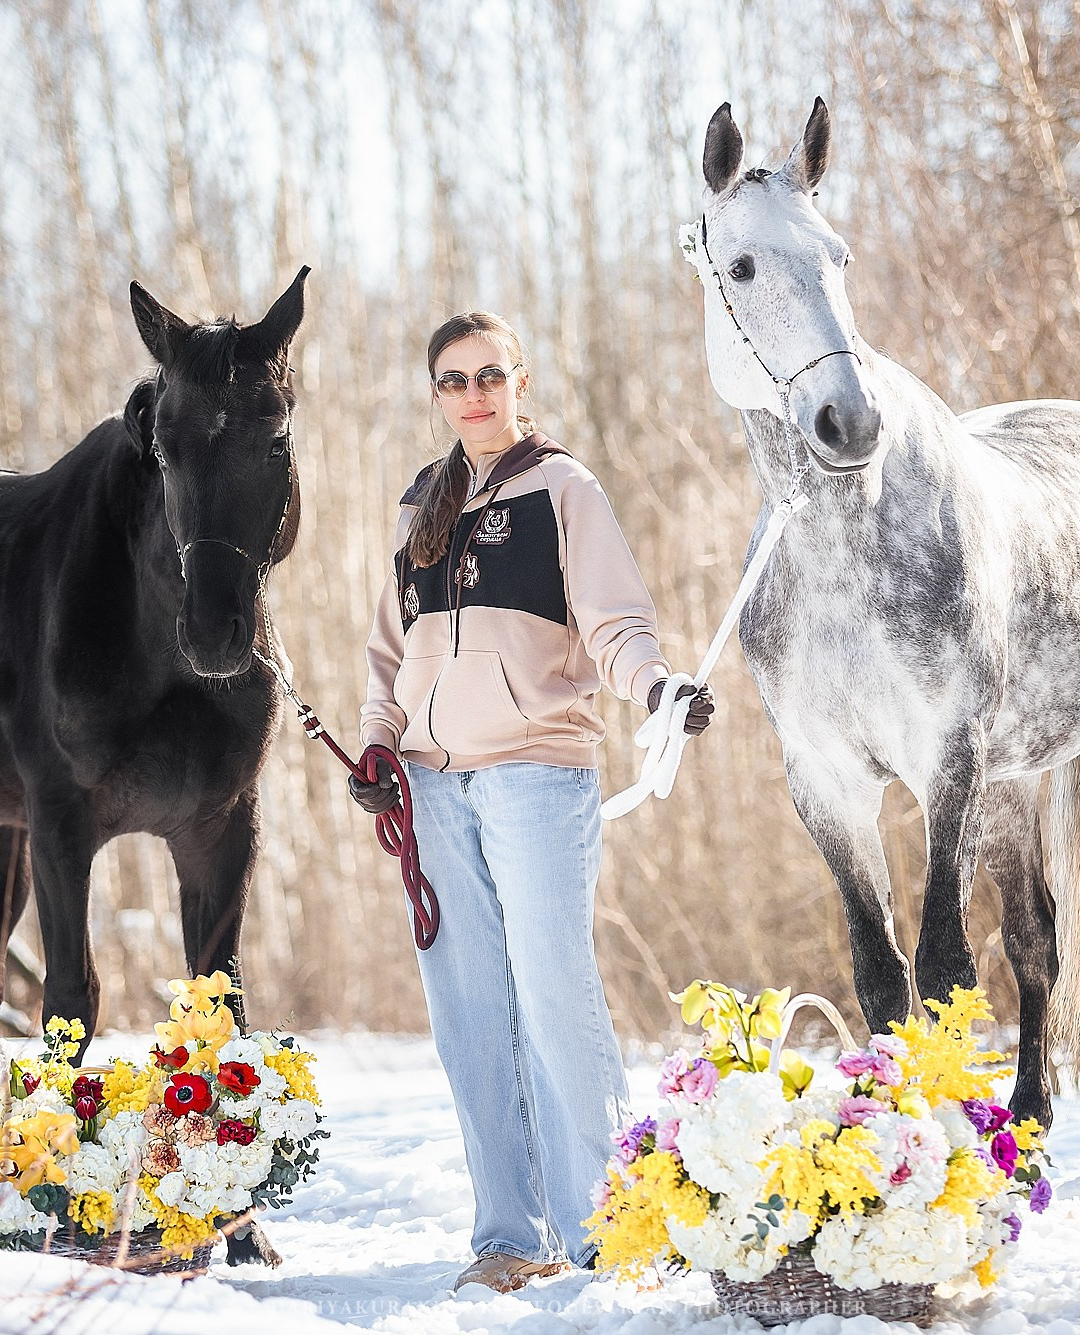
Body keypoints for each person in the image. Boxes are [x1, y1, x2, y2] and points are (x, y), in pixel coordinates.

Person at [353, 311, 712, 1294]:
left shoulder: (564, 488)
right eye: (453, 380)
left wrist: (658, 690)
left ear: (520, 381)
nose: (473, 395)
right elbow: (388, 652)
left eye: (489, 375)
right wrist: (378, 741)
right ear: (437, 395)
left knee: (554, 995)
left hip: (534, 772)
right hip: (430, 785)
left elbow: (615, 624)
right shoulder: (420, 504)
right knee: (469, 1015)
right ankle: (510, 1236)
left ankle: (612, 1228)